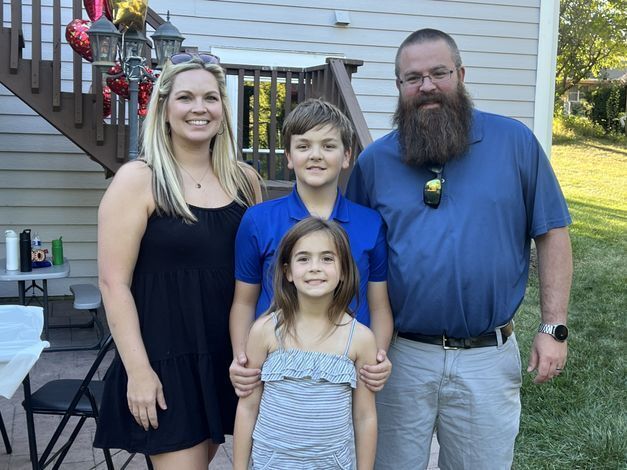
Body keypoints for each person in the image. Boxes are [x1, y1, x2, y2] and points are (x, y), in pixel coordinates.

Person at [345, 28, 573, 470]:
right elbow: (350, 256)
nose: (426, 85)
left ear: (462, 74)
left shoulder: (514, 144)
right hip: (399, 357)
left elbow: (552, 233)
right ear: (399, 87)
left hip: (487, 357)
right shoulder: (375, 163)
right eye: (413, 78)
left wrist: (554, 327)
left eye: (439, 73)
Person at [94, 53, 262, 469]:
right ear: (164, 108)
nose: (199, 108)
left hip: (230, 357)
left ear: (223, 110)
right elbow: (113, 284)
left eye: (210, 98)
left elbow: (262, 273)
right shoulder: (138, 180)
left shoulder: (246, 181)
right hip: (167, 360)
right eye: (185, 98)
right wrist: (138, 370)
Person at [229, 99, 393, 397]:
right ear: (289, 156)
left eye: (328, 146)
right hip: (277, 371)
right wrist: (242, 359)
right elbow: (243, 300)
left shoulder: (370, 224)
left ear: (346, 156)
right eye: (303, 146)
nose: (316, 155)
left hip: (349, 373)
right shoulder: (258, 220)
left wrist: (378, 357)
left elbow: (379, 304)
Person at [233, 217, 378, 469]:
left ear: (343, 270)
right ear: (287, 271)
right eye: (303, 258)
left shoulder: (360, 338)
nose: (315, 267)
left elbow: (365, 416)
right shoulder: (265, 330)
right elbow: (248, 407)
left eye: (327, 258)